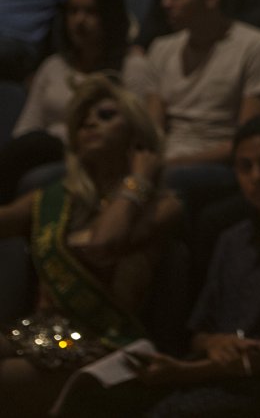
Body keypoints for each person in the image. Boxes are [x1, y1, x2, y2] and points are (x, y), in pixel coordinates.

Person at [124, 114, 260, 416]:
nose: (256, 176)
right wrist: (215, 342)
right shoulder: (232, 239)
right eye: (245, 167)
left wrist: (187, 371)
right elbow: (200, 330)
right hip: (216, 376)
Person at [0, 75, 181, 418]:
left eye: (106, 115)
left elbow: (103, 243)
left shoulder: (162, 205)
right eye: (82, 122)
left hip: (108, 348)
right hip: (41, 335)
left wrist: (138, 179)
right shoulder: (56, 199)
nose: (91, 124)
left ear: (136, 132)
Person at [0, 0, 152, 202]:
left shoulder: (132, 67)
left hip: (96, 155)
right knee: (31, 144)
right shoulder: (53, 65)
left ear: (109, 16)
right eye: (73, 11)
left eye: (91, 12)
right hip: (38, 151)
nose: (80, 21)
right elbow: (26, 128)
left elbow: (137, 134)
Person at [145, 0, 260, 166]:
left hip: (217, 166)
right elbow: (152, 131)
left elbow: (248, 141)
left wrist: (172, 164)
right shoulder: (161, 48)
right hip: (165, 162)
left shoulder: (256, 46)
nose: (166, 3)